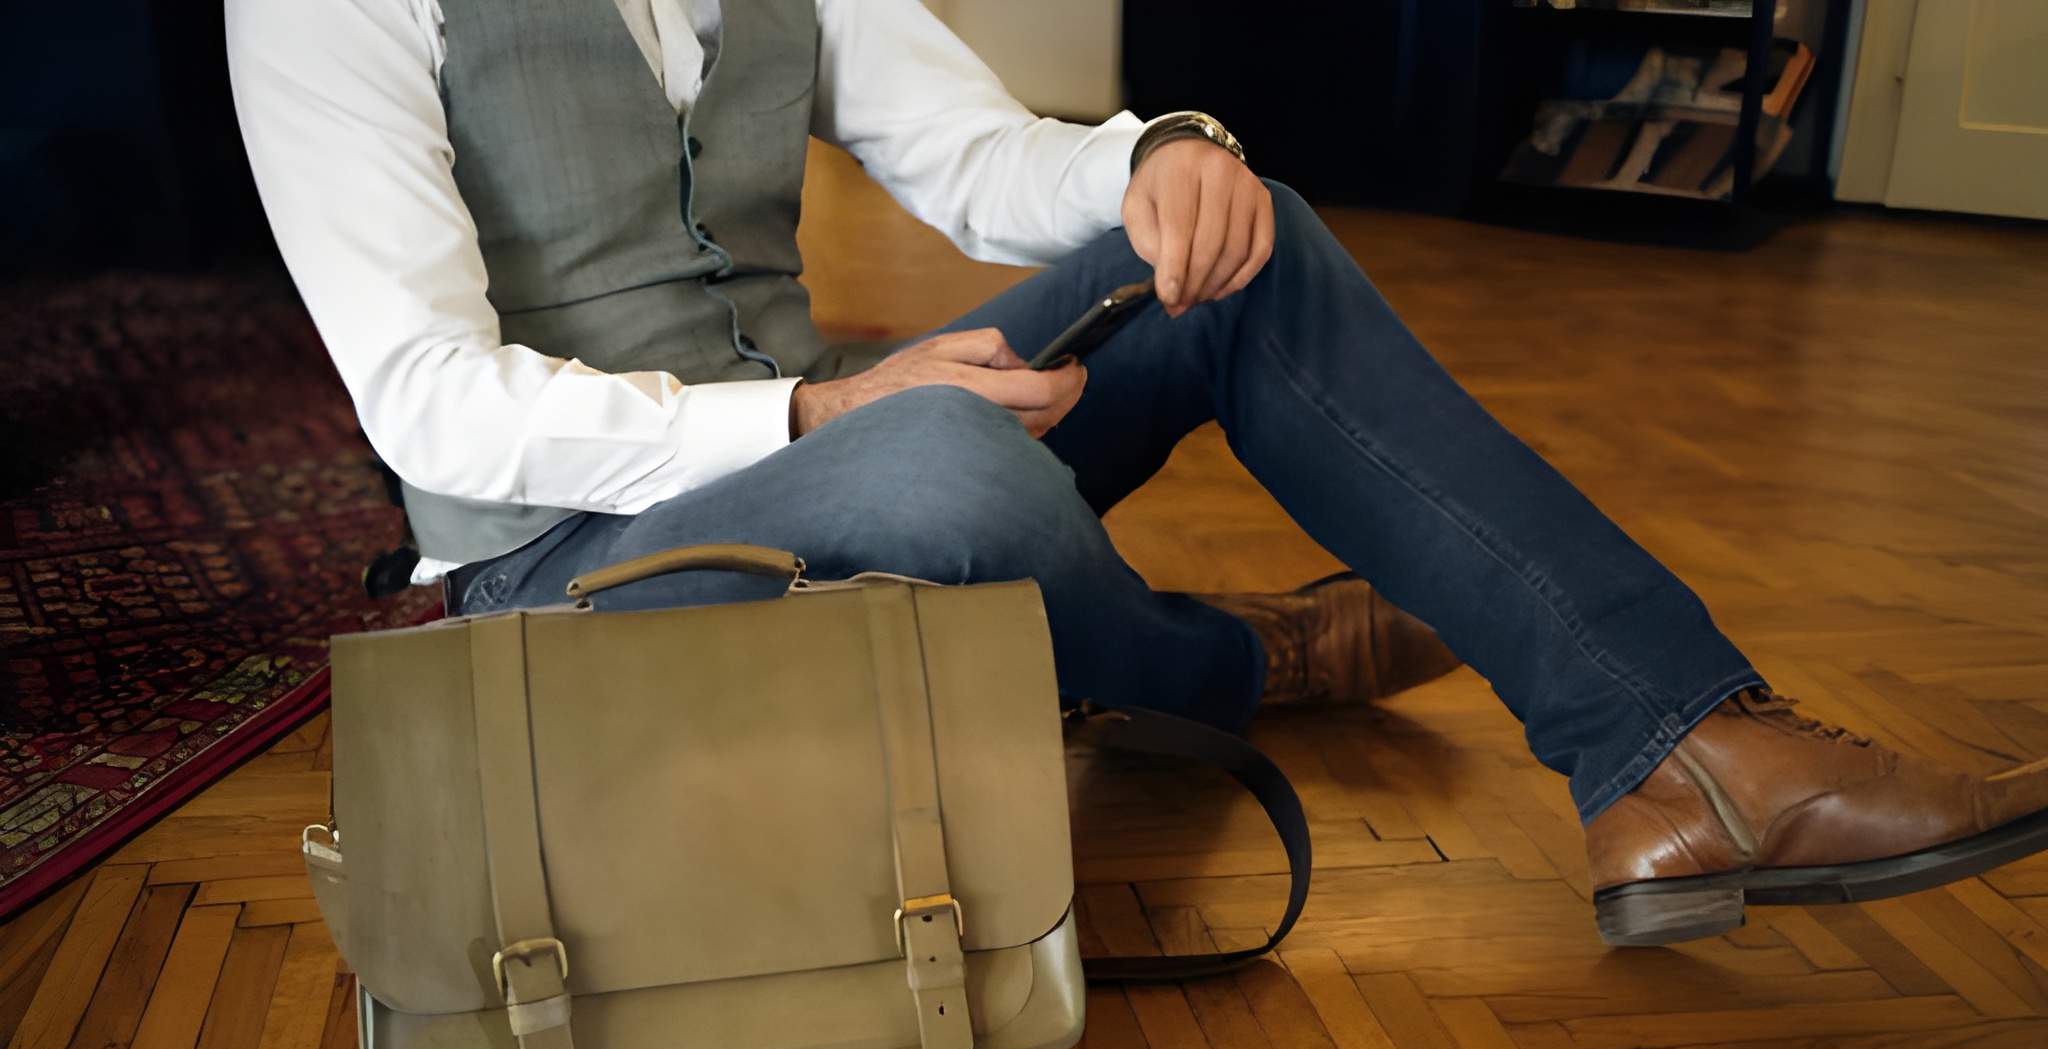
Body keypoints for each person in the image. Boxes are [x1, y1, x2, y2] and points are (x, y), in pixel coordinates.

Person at [226, 0, 2048, 946]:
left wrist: (1165, 152)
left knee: (1247, 251)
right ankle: (1225, 663)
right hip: (566, 570)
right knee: (938, 459)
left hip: (836, 446)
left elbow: (968, 156)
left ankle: (1673, 750)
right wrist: (813, 422)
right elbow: (425, 404)